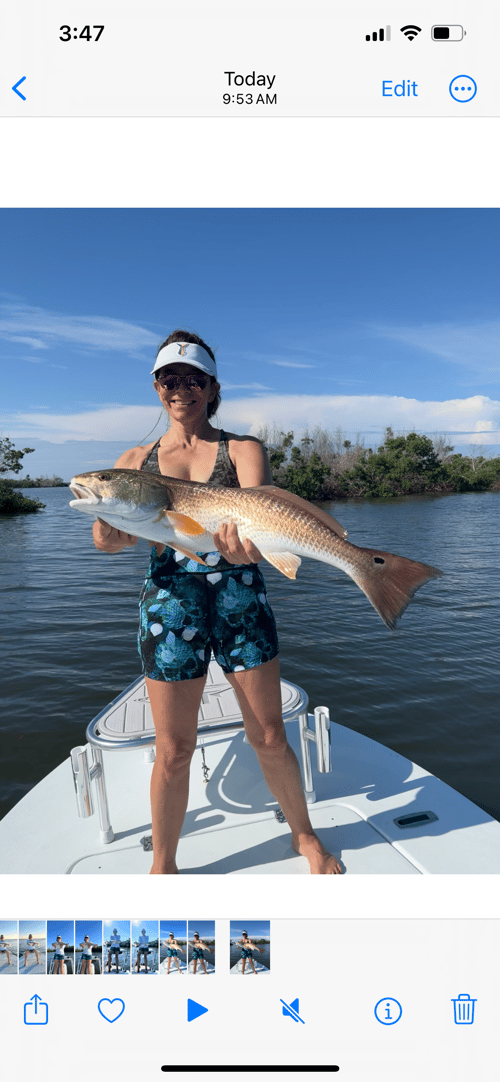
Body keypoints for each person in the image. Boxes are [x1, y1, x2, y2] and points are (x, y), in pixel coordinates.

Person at [93, 329, 342, 875]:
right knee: (174, 747)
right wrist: (111, 534)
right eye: (168, 378)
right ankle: (164, 864)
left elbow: (261, 518)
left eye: (191, 378)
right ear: (156, 387)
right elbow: (106, 536)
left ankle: (305, 836)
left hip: (240, 598)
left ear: (211, 386)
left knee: (270, 734)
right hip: (169, 605)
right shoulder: (135, 460)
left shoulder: (243, 449)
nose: (179, 388)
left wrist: (247, 551)